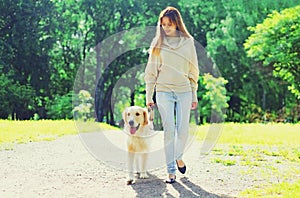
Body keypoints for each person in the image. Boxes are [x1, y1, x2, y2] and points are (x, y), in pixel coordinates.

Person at [144, 6, 199, 183]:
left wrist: (194, 94)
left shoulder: (188, 42)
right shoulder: (157, 44)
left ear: (177, 23)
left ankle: (179, 157)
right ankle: (170, 171)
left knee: (182, 131)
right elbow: (151, 73)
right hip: (163, 92)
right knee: (169, 131)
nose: (166, 27)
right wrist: (149, 96)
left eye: (169, 24)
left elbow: (193, 70)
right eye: (163, 24)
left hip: (184, 91)